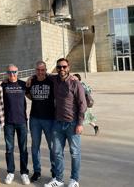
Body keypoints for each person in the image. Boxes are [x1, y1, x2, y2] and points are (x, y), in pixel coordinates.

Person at [45, 58, 87, 187]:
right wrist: (32, 78)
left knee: (75, 153)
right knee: (56, 152)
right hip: (58, 124)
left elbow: (83, 104)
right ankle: (59, 179)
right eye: (59, 67)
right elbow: (44, 75)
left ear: (68, 67)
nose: (61, 69)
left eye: (64, 67)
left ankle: (74, 180)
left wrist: (80, 123)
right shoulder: (55, 80)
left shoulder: (75, 83)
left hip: (73, 123)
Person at [26, 61, 56, 182]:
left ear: (45, 70)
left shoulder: (51, 81)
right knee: (35, 147)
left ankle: (54, 171)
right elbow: (27, 94)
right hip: (35, 119)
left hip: (49, 119)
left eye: (42, 70)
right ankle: (37, 171)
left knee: (52, 147)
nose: (40, 72)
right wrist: (30, 77)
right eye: (38, 70)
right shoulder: (31, 81)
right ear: (35, 70)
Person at [1, 64, 30, 185]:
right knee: (9, 149)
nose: (12, 74)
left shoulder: (23, 84)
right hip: (8, 123)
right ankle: (11, 172)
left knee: (23, 149)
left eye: (14, 72)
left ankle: (24, 172)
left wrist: (31, 78)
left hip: (22, 122)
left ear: (18, 72)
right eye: (10, 72)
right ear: (7, 73)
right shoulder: (3, 85)